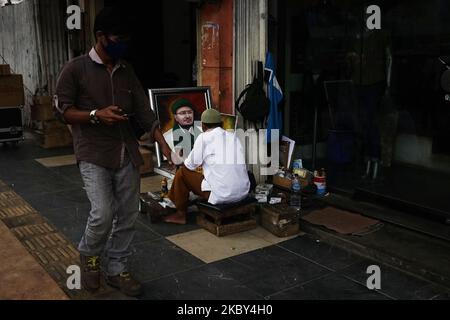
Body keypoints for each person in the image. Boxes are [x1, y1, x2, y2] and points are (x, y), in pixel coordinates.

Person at [54, 7, 173, 296]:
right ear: (100, 37)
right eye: (118, 38)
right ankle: (90, 255)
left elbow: (144, 111)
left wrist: (163, 143)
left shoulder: (126, 69)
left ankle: (117, 268)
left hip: (126, 152)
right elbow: (63, 110)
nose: (124, 44)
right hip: (94, 152)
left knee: (128, 214)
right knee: (103, 212)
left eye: (126, 39)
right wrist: (96, 114)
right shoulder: (76, 69)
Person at [163, 109, 250, 224]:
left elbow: (189, 165)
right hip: (243, 192)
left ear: (203, 126)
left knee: (182, 173)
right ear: (221, 123)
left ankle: (180, 214)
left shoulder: (204, 138)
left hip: (222, 195)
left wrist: (180, 158)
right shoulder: (233, 136)